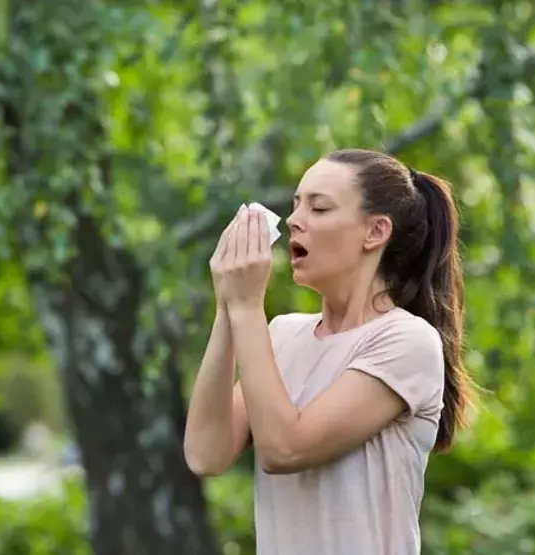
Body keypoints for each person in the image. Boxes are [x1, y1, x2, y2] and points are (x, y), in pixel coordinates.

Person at [183, 148, 474, 555]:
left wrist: (248, 308)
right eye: (296, 204)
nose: (294, 220)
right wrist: (228, 309)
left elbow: (285, 448)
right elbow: (205, 454)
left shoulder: (406, 342)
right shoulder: (282, 335)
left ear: (375, 232)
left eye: (319, 209)